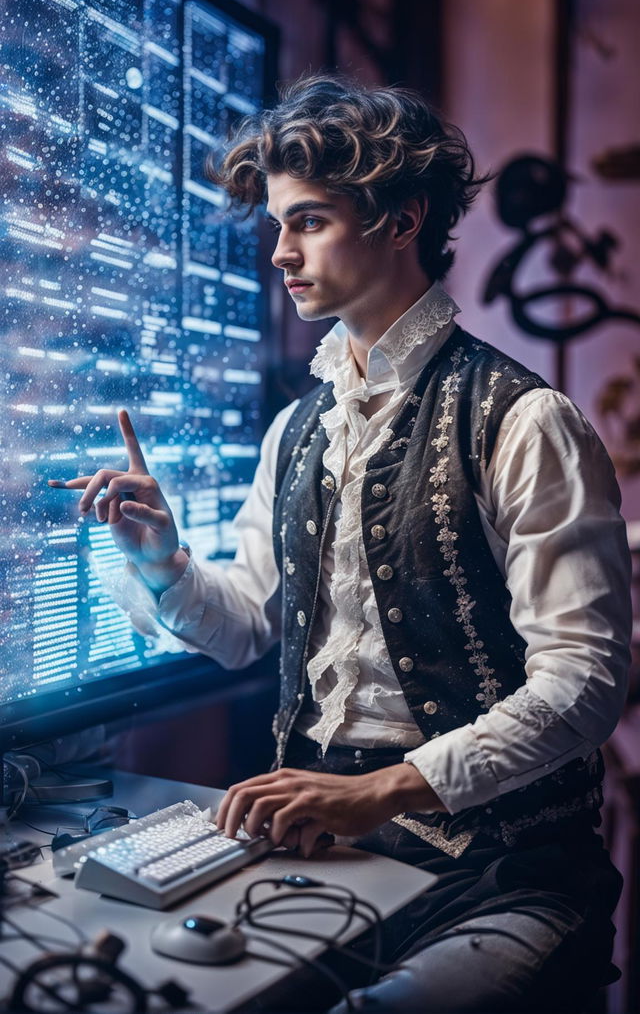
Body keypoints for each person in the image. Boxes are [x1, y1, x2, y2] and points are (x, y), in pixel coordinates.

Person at [50, 75, 631, 1012]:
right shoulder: (297, 430)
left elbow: (585, 684)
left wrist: (384, 790)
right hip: (328, 853)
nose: (280, 253)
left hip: (508, 873)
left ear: (403, 222)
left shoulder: (527, 421)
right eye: (278, 225)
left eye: (308, 221)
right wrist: (159, 552)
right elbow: (245, 628)